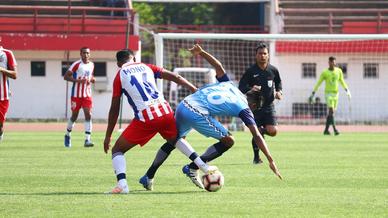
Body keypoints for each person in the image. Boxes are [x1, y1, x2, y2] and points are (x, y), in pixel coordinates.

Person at [140, 44, 282, 191]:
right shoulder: (245, 109)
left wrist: (201, 52)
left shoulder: (229, 85)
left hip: (184, 104)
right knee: (228, 141)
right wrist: (270, 159)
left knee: (174, 139)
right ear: (253, 106)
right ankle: (193, 167)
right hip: (196, 112)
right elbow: (257, 135)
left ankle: (148, 176)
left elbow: (218, 65)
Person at [103, 49, 209, 194]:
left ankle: (122, 185)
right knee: (176, 140)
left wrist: (108, 135)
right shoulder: (147, 66)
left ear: (119, 63)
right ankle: (203, 166)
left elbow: (114, 108)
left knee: (117, 150)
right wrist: (193, 88)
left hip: (146, 117)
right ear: (133, 58)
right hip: (165, 111)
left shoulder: (119, 76)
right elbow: (175, 76)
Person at [238, 42, 283, 165]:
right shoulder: (250, 71)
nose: (262, 56)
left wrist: (279, 91)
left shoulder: (273, 70)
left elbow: (278, 82)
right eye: (260, 54)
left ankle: (262, 132)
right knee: (255, 132)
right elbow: (241, 87)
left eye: (265, 53)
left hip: (269, 106)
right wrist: (251, 88)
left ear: (268, 55)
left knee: (273, 131)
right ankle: (256, 157)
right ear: (256, 55)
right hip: (255, 107)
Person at [309, 56, 351, 135]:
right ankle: (335, 130)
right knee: (331, 110)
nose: (332, 64)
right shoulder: (325, 72)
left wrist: (347, 90)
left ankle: (326, 130)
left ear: (335, 63)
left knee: (331, 113)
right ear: (329, 63)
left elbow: (342, 81)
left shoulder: (339, 71)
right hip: (328, 94)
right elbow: (319, 83)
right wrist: (313, 93)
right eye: (331, 62)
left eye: (334, 62)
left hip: (336, 94)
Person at [63, 47, 95, 148]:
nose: (86, 55)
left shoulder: (91, 65)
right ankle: (67, 135)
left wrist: (92, 79)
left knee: (88, 115)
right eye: (84, 53)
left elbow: (90, 76)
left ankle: (87, 139)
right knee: (74, 116)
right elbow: (66, 77)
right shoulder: (76, 64)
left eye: (88, 53)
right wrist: (78, 81)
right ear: (80, 54)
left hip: (87, 95)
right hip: (76, 95)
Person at [0, 36, 18, 141]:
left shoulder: (7, 53)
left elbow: (15, 75)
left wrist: (1, 69)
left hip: (2, 96)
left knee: (0, 126)